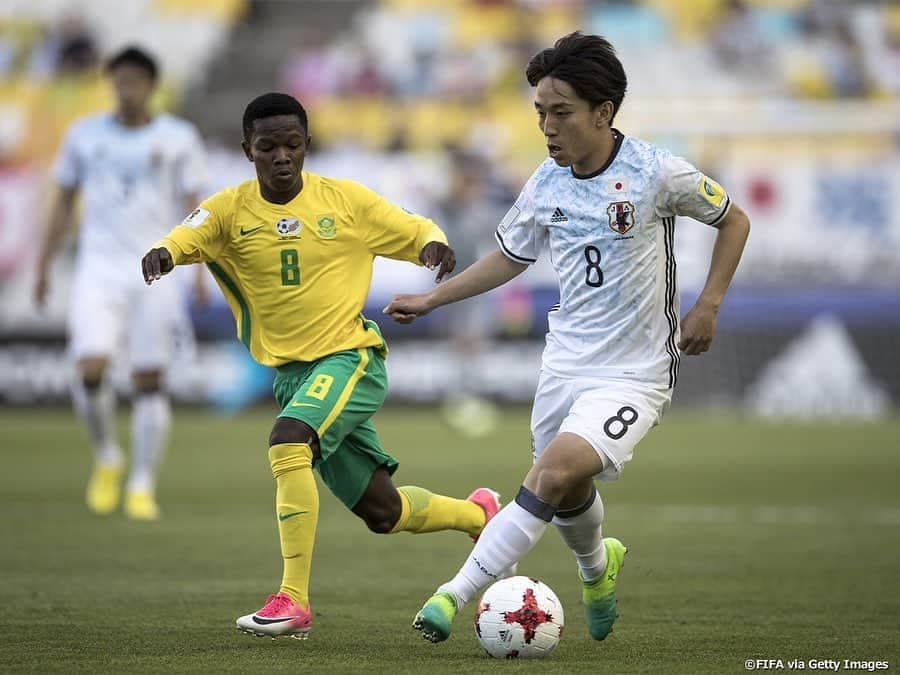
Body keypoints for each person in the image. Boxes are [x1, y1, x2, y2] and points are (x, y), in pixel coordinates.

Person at [385, 31, 751, 643]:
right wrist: (432, 298)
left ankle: (453, 595)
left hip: (636, 370)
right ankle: (596, 567)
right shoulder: (545, 182)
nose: (548, 128)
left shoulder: (654, 172)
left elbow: (733, 219)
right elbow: (508, 257)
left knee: (549, 475)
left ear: (603, 112)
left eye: (561, 113)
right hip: (565, 364)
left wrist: (708, 304)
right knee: (568, 488)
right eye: (540, 114)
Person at [140, 92, 503, 639]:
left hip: (350, 358)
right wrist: (165, 253)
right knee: (382, 512)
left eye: (292, 145)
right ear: (247, 151)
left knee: (289, 440)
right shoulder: (227, 211)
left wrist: (434, 248)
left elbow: (411, 226)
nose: (282, 157)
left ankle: (293, 599)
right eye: (268, 147)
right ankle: (481, 517)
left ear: (307, 145)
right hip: (293, 377)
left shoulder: (345, 201)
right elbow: (187, 233)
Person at [34, 46, 208, 521]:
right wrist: (45, 264)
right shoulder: (85, 136)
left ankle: (142, 482)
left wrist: (199, 272)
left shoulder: (178, 137)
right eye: (119, 81)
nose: (126, 90)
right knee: (90, 369)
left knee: (149, 380)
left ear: (152, 85)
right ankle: (108, 456)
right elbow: (63, 201)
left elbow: (198, 211)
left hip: (159, 269)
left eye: (135, 81)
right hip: (99, 269)